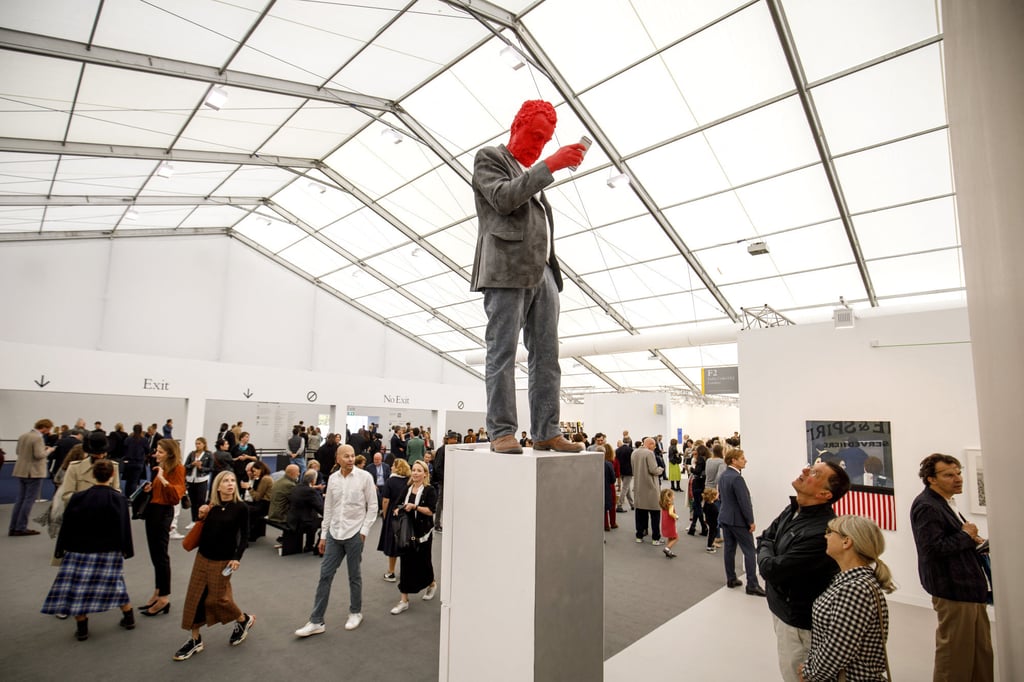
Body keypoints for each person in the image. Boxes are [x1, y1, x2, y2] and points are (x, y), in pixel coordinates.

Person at [471, 99, 588, 455]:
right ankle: (502, 431)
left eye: (546, 139)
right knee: (502, 352)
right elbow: (504, 199)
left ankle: (546, 430)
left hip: (544, 272)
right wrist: (549, 165)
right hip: (506, 270)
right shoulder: (490, 158)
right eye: (535, 134)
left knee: (547, 356)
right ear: (515, 125)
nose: (539, 144)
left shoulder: (526, 173)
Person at [757, 461, 852, 682]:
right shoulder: (793, 508)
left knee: (797, 675)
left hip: (798, 622)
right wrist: (767, 548)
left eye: (814, 473)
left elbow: (771, 569)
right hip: (780, 608)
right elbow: (765, 537)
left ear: (824, 494)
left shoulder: (822, 531)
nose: (804, 471)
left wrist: (766, 551)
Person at [910, 453, 993, 682]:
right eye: (948, 475)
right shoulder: (927, 506)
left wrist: (972, 540)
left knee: (980, 655)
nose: (957, 479)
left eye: (958, 473)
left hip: (970, 590)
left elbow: (951, 541)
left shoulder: (945, 502)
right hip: (954, 591)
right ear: (930, 479)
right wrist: (966, 535)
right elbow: (932, 548)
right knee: (954, 658)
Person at [41, 459, 135, 640]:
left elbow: (67, 525)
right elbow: (124, 527)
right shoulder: (119, 499)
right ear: (113, 475)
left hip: (80, 549)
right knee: (115, 583)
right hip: (109, 550)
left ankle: (82, 628)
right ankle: (128, 617)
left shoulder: (77, 498)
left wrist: (61, 549)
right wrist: (126, 550)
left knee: (78, 588)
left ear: (92, 475)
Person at [799, 515, 895, 682]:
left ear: (846, 542)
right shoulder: (852, 583)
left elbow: (836, 650)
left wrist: (810, 672)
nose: (825, 536)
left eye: (830, 532)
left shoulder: (855, 590)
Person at [294, 445, 378, 637]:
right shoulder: (333, 479)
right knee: (325, 575)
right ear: (338, 459)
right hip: (334, 533)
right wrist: (323, 535)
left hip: (354, 533)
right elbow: (329, 508)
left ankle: (355, 612)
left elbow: (372, 507)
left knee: (354, 575)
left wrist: (363, 531)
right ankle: (316, 621)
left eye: (352, 456)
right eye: (346, 456)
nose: (350, 459)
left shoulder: (364, 477)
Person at [173, 470, 255, 661]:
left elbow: (244, 536)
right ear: (217, 486)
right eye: (225, 481)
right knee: (195, 598)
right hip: (202, 557)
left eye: (232, 481)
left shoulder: (241, 508)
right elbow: (205, 531)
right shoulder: (211, 507)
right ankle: (194, 639)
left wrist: (237, 557)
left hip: (223, 561)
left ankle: (243, 620)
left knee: (218, 599)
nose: (230, 484)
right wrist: (202, 516)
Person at [141, 438, 186, 616]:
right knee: (155, 555)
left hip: (162, 513)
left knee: (161, 556)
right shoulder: (161, 467)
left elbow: (176, 496)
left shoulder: (177, 468)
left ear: (169, 453)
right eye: (156, 451)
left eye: (160, 452)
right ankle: (158, 591)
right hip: (153, 511)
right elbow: (159, 491)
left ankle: (164, 597)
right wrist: (151, 487)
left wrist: (162, 479)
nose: (156, 454)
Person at [389, 460, 438, 615]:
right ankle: (404, 600)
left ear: (425, 474)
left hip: (423, 534)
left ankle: (431, 583)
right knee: (406, 564)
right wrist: (398, 510)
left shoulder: (430, 490)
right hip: (407, 533)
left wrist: (415, 507)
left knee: (423, 562)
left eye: (419, 470)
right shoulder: (407, 489)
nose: (415, 473)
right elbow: (397, 505)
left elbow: (431, 511)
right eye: (414, 470)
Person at [718, 449, 765, 597]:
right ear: (734, 461)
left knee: (729, 550)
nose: (745, 460)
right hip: (738, 521)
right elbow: (744, 502)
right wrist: (750, 521)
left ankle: (731, 579)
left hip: (725, 517)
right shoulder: (737, 478)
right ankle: (752, 584)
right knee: (750, 551)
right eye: (742, 458)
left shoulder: (724, 475)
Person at [10, 418, 55, 536]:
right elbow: (39, 455)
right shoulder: (38, 438)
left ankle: (13, 526)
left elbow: (18, 451)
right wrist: (49, 450)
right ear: (45, 427)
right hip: (33, 472)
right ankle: (21, 527)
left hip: (21, 470)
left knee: (20, 499)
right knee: (29, 500)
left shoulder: (23, 435)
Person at [61, 430, 120, 504]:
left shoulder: (113, 466)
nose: (100, 456)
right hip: (80, 511)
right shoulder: (75, 468)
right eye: (97, 453)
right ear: (90, 452)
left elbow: (116, 493)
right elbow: (66, 495)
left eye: (103, 453)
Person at [377, 458, 412, 582]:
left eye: (393, 465)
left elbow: (385, 500)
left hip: (393, 512)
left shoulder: (390, 481)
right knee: (405, 542)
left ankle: (391, 572)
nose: (391, 467)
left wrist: (385, 515)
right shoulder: (409, 481)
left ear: (397, 467)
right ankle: (405, 572)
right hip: (406, 513)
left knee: (392, 543)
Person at [631, 437, 664, 545]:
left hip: (639, 487)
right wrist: (661, 469)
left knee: (640, 513)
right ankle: (655, 538)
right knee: (655, 514)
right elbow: (653, 470)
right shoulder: (649, 454)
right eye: (654, 445)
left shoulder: (634, 453)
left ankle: (639, 536)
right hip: (650, 488)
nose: (654, 448)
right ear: (650, 444)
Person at [288, 470, 325, 554]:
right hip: (302, 522)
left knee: (313, 517)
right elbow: (319, 507)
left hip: (293, 518)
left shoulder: (296, 487)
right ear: (313, 480)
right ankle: (314, 547)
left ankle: (309, 545)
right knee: (325, 522)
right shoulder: (310, 491)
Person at [183, 437, 213, 529]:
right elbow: (185, 466)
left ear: (204, 444)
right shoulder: (192, 454)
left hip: (202, 479)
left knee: (200, 501)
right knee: (192, 501)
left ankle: (200, 520)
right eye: (196, 443)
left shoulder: (209, 454)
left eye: (199, 443)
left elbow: (211, 468)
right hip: (191, 479)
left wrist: (201, 468)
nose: (197, 445)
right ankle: (193, 520)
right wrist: (192, 465)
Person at [245, 460, 274, 541]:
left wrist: (249, 488)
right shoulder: (265, 478)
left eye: (254, 471)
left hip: (265, 505)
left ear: (260, 469)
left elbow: (257, 497)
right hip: (264, 503)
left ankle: (249, 535)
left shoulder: (265, 479)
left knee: (247, 511)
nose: (254, 473)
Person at [686, 444, 709, 536]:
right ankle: (694, 526)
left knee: (697, 505)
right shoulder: (707, 459)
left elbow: (697, 471)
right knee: (697, 505)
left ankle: (703, 526)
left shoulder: (700, 459)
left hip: (698, 483)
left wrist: (690, 468)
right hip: (703, 483)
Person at [659, 488, 680, 558]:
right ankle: (667, 548)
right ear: (669, 496)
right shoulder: (670, 505)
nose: (674, 496)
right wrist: (676, 516)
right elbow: (671, 513)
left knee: (670, 537)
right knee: (676, 538)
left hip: (665, 523)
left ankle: (668, 550)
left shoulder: (663, 504)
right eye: (673, 495)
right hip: (670, 523)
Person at [615, 438, 634, 512]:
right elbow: (632, 461)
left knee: (627, 488)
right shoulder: (630, 450)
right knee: (625, 488)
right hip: (628, 471)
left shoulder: (618, 450)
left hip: (621, 471)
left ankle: (632, 504)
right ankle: (619, 505)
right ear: (629, 442)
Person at [603, 444, 618, 531]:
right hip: (610, 485)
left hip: (602, 485)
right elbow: (615, 475)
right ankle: (613, 523)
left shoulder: (599, 462)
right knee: (612, 505)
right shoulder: (613, 461)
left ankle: (605, 524)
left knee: (603, 505)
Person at [702, 488, 720, 554]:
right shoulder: (714, 507)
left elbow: (703, 510)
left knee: (713, 533)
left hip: (708, 520)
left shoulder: (706, 504)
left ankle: (711, 543)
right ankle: (709, 547)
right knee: (712, 534)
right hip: (713, 522)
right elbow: (717, 514)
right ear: (713, 497)